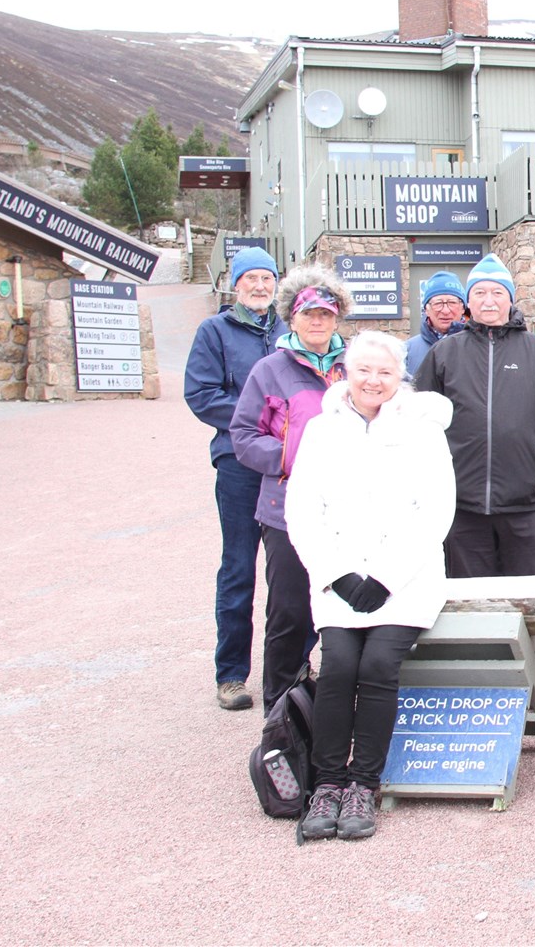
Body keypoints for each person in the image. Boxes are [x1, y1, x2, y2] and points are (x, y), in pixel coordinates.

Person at [284, 332, 456, 841]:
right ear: (345, 372)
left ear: (398, 376)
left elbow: (435, 509)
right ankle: (328, 783)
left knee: (378, 666)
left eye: (384, 372)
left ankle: (363, 784)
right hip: (337, 579)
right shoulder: (320, 430)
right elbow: (303, 509)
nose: (373, 381)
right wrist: (336, 573)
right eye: (363, 370)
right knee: (338, 667)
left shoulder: (422, 430)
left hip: (404, 580)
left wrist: (384, 577)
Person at [414, 254, 535, 688]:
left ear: (511, 299)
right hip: (464, 505)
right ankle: (480, 687)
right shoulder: (444, 353)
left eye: (497, 292)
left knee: (531, 603)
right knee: (471, 603)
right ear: (468, 303)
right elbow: (416, 415)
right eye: (480, 293)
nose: (489, 300)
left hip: (525, 503)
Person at [229, 265, 351, 712]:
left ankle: (337, 705)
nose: (317, 321)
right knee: (290, 612)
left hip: (350, 511)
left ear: (338, 317)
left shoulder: (354, 366)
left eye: (326, 313)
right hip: (287, 509)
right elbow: (244, 435)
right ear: (292, 318)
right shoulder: (269, 370)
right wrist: (292, 458)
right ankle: (280, 710)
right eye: (308, 314)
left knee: (346, 610)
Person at [184, 245, 287, 711]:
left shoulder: (290, 329)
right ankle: (231, 675)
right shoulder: (215, 331)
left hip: (287, 468)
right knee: (240, 568)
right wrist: (257, 418)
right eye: (252, 279)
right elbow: (201, 395)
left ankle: (292, 667)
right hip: (239, 465)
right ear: (236, 283)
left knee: (289, 571)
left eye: (267, 278)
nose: (260, 287)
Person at [404, 270, 467, 379]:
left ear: (463, 308)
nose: (446, 310)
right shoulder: (407, 351)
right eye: (438, 303)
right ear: (426, 310)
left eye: (452, 303)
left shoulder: (478, 346)